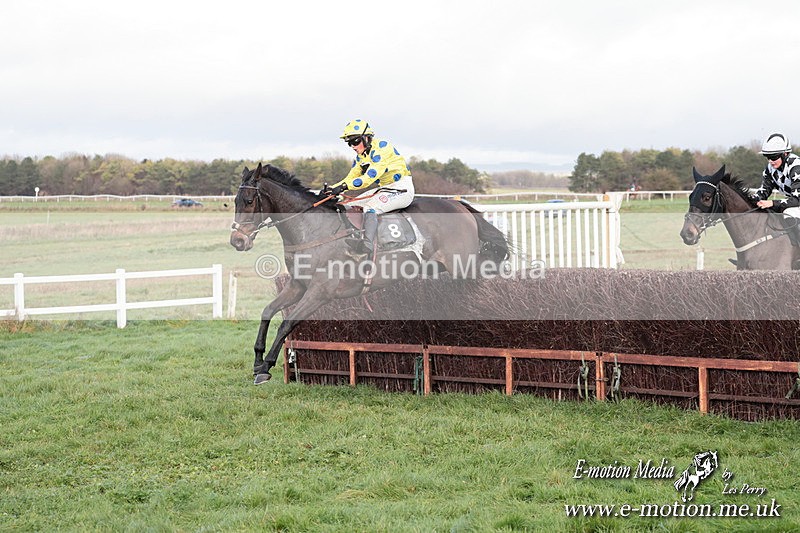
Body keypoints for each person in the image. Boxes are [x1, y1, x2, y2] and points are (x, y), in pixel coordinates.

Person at [323, 119, 415, 255]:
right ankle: (352, 237)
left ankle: (367, 244)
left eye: (355, 141)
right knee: (348, 205)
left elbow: (369, 178)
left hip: (401, 188)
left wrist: (343, 187)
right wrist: (332, 189)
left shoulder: (382, 148)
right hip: (385, 188)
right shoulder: (361, 157)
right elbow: (351, 178)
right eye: (349, 143)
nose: (353, 146)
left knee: (370, 208)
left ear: (366, 138)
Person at [750, 132, 800, 219]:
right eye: (768, 157)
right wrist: (749, 199)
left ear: (785, 154)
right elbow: (763, 191)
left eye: (773, 157)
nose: (770, 161)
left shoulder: (796, 167)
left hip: (797, 201)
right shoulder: (770, 169)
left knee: (789, 213)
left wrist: (772, 203)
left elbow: (797, 200)